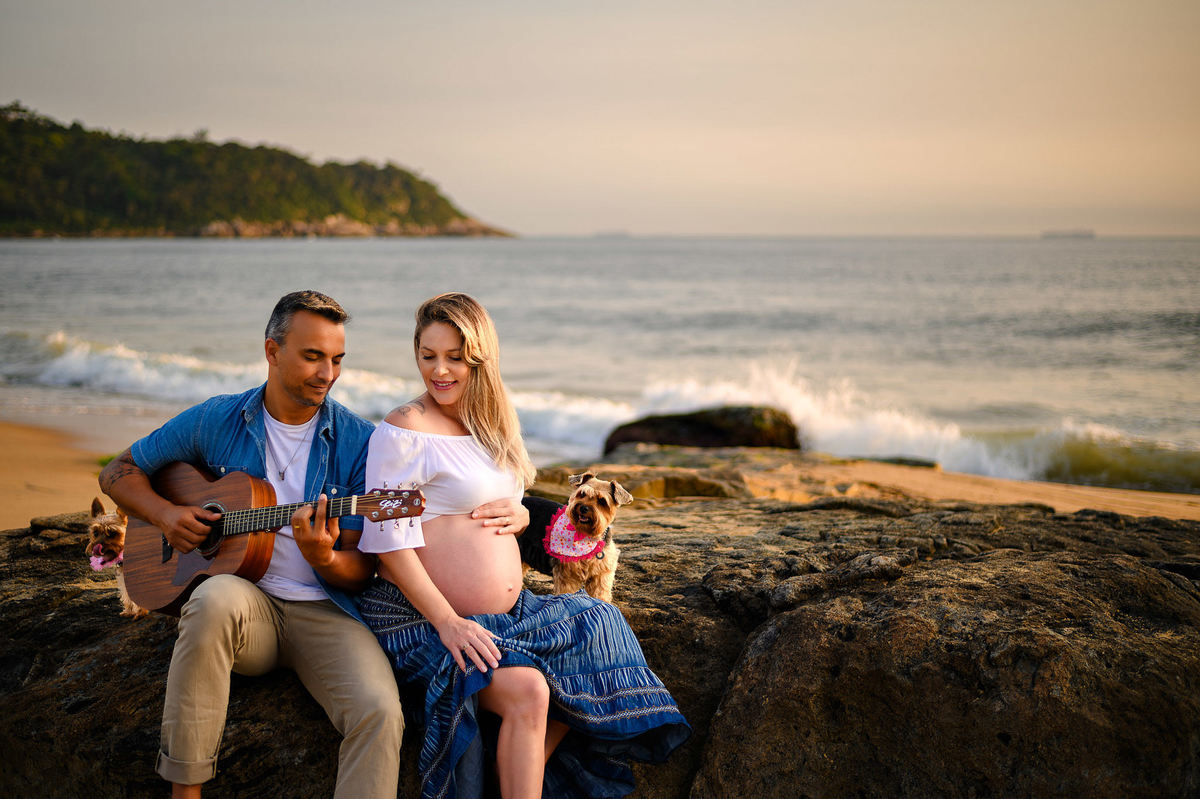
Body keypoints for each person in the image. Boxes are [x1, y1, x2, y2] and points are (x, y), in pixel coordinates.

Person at [98, 290, 529, 799]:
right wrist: (166, 516)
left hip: (328, 611)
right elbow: (119, 470)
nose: (327, 373)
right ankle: (185, 792)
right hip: (246, 602)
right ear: (272, 351)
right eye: (312, 356)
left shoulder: (358, 440)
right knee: (212, 599)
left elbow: (365, 569)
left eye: (337, 359)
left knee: (380, 713)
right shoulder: (218, 420)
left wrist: (322, 556)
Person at [355, 292, 690, 799]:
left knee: (600, 626)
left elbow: (507, 497)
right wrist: (447, 622)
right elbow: (387, 543)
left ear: (481, 359)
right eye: (428, 355)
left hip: (508, 614)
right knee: (532, 688)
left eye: (455, 358)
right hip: (424, 617)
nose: (439, 370)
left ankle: (513, 772)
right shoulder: (405, 430)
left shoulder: (493, 424)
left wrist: (522, 513)